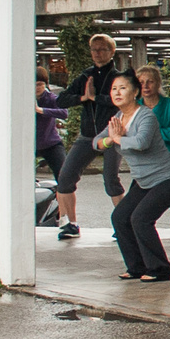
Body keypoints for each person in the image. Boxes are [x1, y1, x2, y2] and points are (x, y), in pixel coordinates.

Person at [104, 69, 170, 282]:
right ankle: (136, 267)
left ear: (134, 92)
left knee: (141, 218)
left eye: (122, 88)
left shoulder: (147, 115)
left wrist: (118, 139)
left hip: (169, 176)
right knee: (120, 217)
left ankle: (160, 268)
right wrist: (109, 139)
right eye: (114, 89)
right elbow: (97, 141)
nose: (117, 92)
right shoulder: (118, 118)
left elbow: (141, 142)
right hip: (145, 180)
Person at [54, 34, 129, 240]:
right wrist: (83, 97)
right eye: (94, 49)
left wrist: (96, 98)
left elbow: (121, 100)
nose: (97, 53)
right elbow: (61, 100)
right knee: (65, 178)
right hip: (87, 135)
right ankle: (71, 224)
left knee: (110, 179)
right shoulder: (86, 76)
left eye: (102, 49)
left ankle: (123, 225)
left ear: (112, 52)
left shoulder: (119, 78)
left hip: (112, 134)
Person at [135, 63, 170, 257]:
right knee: (139, 207)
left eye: (150, 81)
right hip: (148, 166)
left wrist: (155, 131)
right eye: (141, 82)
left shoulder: (169, 105)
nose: (145, 86)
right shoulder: (135, 108)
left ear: (158, 83)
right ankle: (140, 242)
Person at [35, 61, 71, 191]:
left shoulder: (50, 98)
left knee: (64, 176)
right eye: (34, 85)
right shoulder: (23, 98)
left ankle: (62, 198)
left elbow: (64, 113)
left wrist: (41, 110)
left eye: (40, 84)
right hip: (30, 144)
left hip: (50, 143)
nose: (37, 88)